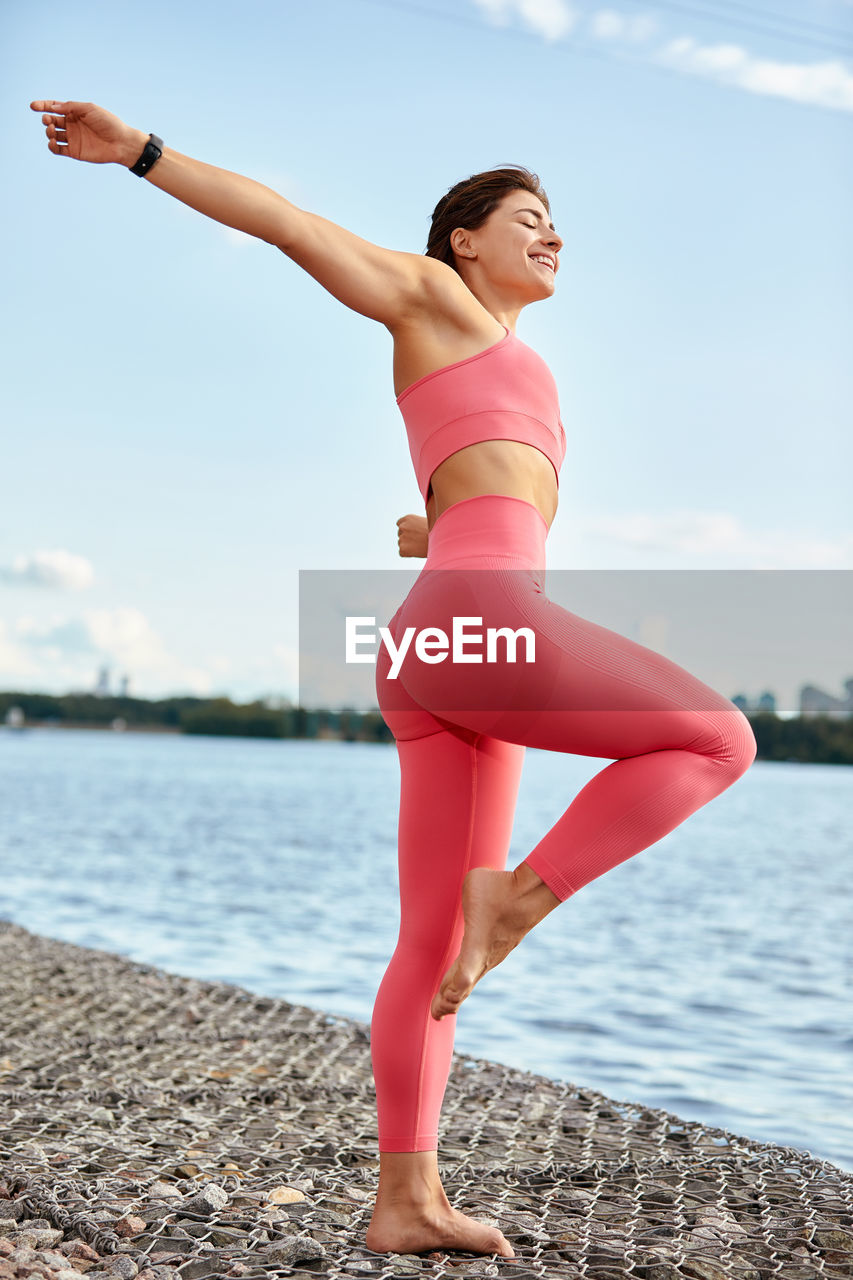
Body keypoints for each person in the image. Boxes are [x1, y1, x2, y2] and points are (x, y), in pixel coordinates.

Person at [30, 99, 757, 1261]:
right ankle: (517, 901)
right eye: (531, 219)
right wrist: (141, 154)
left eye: (559, 222)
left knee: (429, 941)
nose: (553, 235)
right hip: (477, 632)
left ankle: (406, 1197)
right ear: (464, 239)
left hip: (439, 647)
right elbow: (284, 221)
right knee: (716, 738)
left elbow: (482, 501)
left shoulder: (523, 366)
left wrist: (432, 532)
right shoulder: (431, 299)